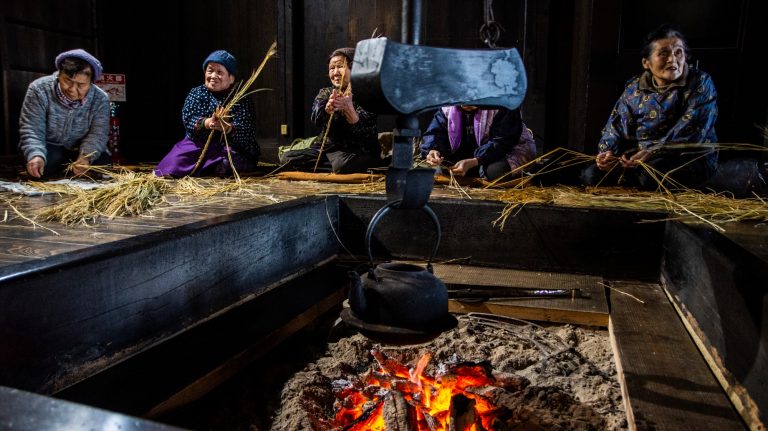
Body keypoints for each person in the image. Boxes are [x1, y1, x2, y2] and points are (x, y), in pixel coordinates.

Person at [581, 24, 718, 190]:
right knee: (591, 175)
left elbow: (692, 130)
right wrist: (608, 154)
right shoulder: (634, 88)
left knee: (649, 177)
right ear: (647, 63)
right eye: (664, 53)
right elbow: (615, 126)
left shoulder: (700, 83)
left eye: (678, 52)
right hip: (639, 158)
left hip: (686, 156)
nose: (672, 59)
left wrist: (653, 151)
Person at [155, 50, 259, 177]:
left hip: (230, 146)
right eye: (210, 71)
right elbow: (188, 119)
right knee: (172, 164)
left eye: (219, 72)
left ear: (231, 78)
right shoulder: (197, 93)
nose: (213, 76)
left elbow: (247, 128)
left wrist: (227, 128)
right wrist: (207, 122)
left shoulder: (241, 97)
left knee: (227, 163)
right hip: (197, 145)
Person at [279, 47, 383, 173]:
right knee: (286, 158)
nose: (335, 73)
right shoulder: (326, 93)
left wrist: (350, 110)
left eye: (340, 66)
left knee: (343, 164)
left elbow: (366, 130)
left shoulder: (367, 94)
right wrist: (327, 110)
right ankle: (333, 168)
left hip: (357, 150)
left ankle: (331, 168)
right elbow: (316, 118)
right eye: (331, 68)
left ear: (355, 69)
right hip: (325, 150)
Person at [18, 49, 111, 178]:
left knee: (102, 163)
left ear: (91, 83)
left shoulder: (100, 99)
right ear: (58, 75)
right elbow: (31, 128)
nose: (72, 89)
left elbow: (98, 133)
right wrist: (35, 154)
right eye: (67, 81)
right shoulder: (39, 89)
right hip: (48, 145)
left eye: (81, 85)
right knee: (48, 162)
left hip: (78, 148)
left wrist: (85, 157)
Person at [420, 105, 536, 181]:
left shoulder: (500, 105)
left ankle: (478, 170)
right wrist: (433, 150)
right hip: (469, 154)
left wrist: (476, 161)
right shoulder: (448, 107)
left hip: (502, 152)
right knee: (437, 168)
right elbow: (435, 132)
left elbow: (503, 141)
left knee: (494, 172)